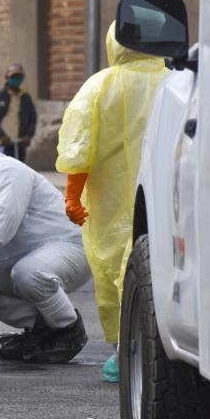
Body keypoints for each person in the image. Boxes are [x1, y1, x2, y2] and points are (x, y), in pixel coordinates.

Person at [56, 20, 168, 382]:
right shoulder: (176, 82)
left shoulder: (99, 87)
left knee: (115, 276)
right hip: (166, 201)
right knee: (162, 271)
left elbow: (79, 147)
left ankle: (125, 353)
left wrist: (72, 197)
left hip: (111, 206)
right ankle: (161, 348)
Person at [0, 143, 89, 363]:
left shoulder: (4, 170)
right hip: (26, 257)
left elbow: (0, 228)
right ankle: (40, 328)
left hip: (71, 247)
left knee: (29, 273)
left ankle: (67, 328)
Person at [0, 63, 37, 162]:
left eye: (19, 76)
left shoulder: (26, 98)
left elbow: (32, 119)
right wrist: (0, 135)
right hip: (1, 144)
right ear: (7, 78)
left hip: (19, 144)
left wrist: (28, 135)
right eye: (13, 76)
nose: (16, 79)